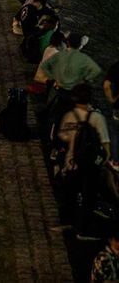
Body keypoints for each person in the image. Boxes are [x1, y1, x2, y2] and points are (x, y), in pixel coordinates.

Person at [58, 82, 111, 239]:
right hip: (89, 165)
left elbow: (61, 137)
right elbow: (105, 143)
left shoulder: (69, 116)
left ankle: (68, 221)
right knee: (89, 197)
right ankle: (84, 229)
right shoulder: (97, 117)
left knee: (70, 193)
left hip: (71, 162)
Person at [102, 58, 119, 161]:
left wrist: (111, 100)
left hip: (118, 107)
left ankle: (116, 161)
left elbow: (106, 86)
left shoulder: (116, 66)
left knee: (115, 133)